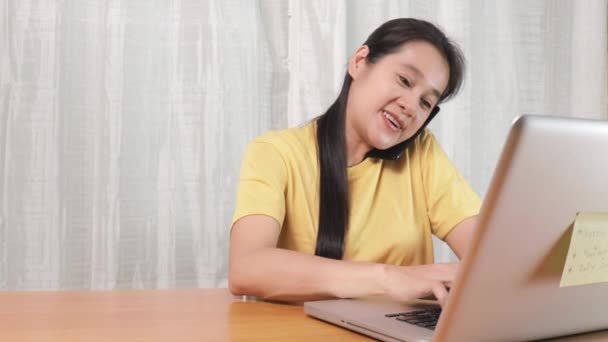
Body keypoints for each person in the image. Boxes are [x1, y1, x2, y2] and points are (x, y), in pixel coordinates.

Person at [228, 18, 480, 307]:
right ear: (360, 62)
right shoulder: (276, 152)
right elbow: (246, 267)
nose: (410, 107)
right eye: (405, 81)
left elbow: (489, 257)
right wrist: (388, 277)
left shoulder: (422, 153)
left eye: (426, 103)